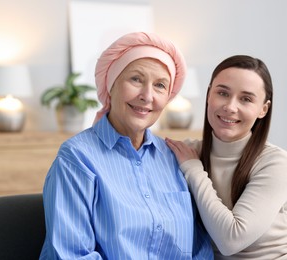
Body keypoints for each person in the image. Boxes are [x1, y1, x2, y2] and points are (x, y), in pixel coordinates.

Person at [39, 32, 213, 259]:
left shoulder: (174, 157)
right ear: (111, 86)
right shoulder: (77, 158)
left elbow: (199, 247)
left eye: (160, 85)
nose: (147, 96)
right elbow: (71, 254)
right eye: (136, 79)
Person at [166, 55, 287, 259]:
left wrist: (194, 171)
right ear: (208, 96)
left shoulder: (276, 163)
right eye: (222, 93)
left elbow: (231, 240)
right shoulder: (186, 152)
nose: (230, 107)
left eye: (246, 99)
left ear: (263, 109)